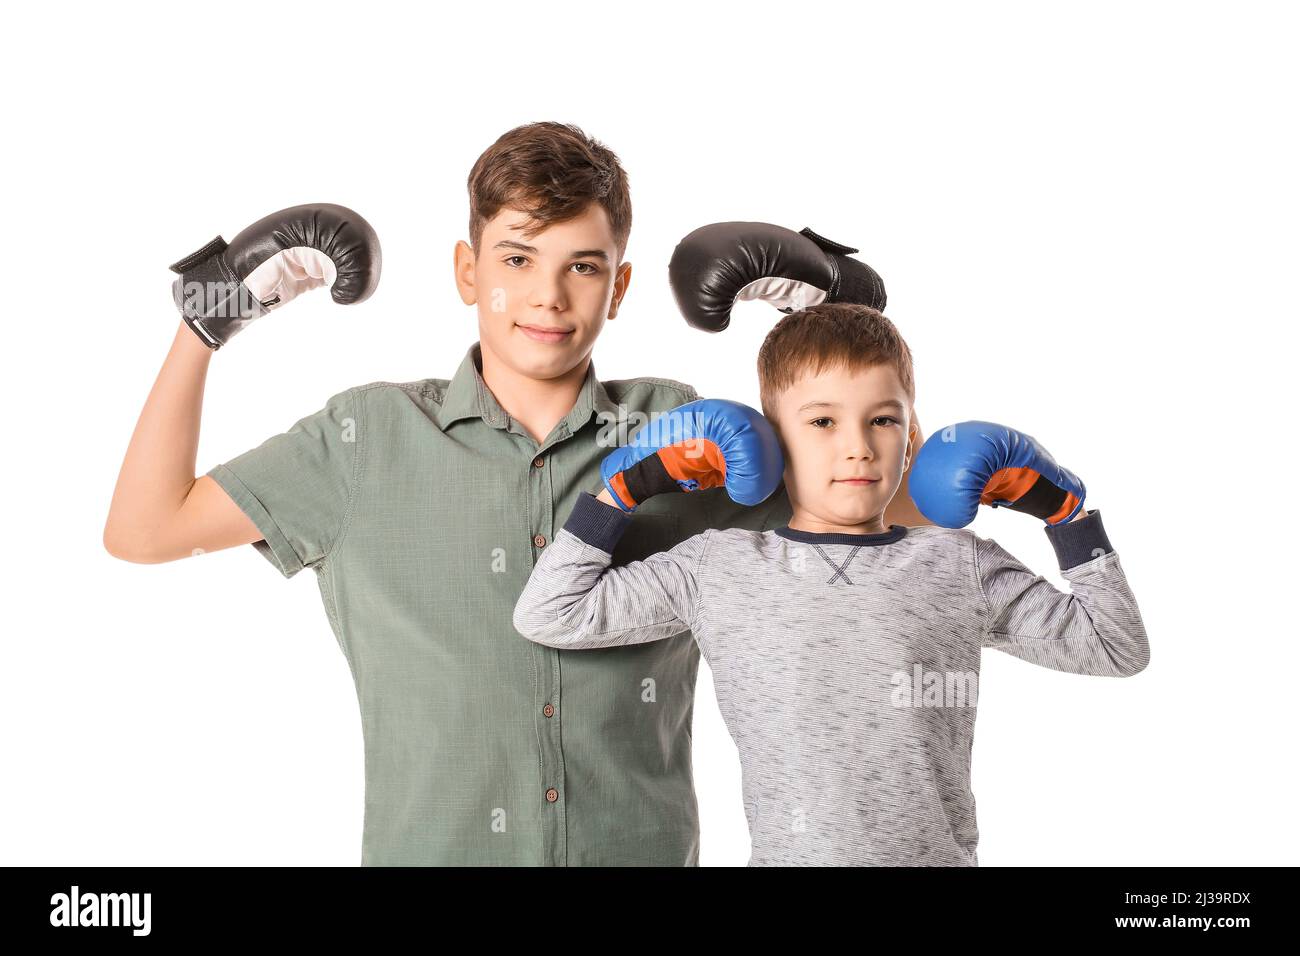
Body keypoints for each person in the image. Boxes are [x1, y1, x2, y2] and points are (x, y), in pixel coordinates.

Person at [101, 122, 926, 865]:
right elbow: (143, 528)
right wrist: (204, 319)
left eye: (584, 266)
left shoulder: (682, 430)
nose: (549, 296)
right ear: (469, 271)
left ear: (620, 286)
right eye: (518, 258)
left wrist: (852, 321)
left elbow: (900, 524)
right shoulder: (366, 439)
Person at [513, 302, 1150, 866]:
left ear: (910, 439)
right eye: (822, 423)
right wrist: (623, 489)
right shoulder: (721, 567)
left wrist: (1067, 517)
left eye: (883, 420)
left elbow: (1117, 649)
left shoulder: (960, 564)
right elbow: (550, 613)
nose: (858, 449)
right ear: (770, 440)